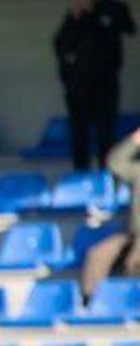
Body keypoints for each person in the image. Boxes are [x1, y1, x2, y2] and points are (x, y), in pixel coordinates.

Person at [57, 0, 137, 171]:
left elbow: (129, 28)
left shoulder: (113, 8)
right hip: (78, 86)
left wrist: (99, 15)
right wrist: (76, 17)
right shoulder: (74, 16)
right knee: (79, 132)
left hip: (105, 83)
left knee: (105, 131)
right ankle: (80, 173)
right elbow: (61, 45)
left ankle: (106, 172)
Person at [82, 127, 140, 296]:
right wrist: (135, 140)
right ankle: (91, 302)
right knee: (98, 254)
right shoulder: (138, 171)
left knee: (135, 260)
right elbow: (115, 162)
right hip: (132, 234)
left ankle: (129, 302)